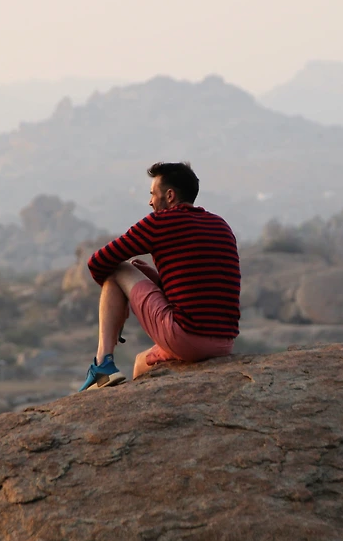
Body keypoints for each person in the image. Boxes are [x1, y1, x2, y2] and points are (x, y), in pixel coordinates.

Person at [80, 161, 241, 391]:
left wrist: (119, 303)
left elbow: (98, 262)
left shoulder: (160, 222)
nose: (150, 202)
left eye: (152, 194)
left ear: (170, 195)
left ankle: (102, 365)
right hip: (224, 343)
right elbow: (200, 287)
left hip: (186, 336)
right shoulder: (220, 225)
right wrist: (157, 282)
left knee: (118, 268)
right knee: (141, 364)